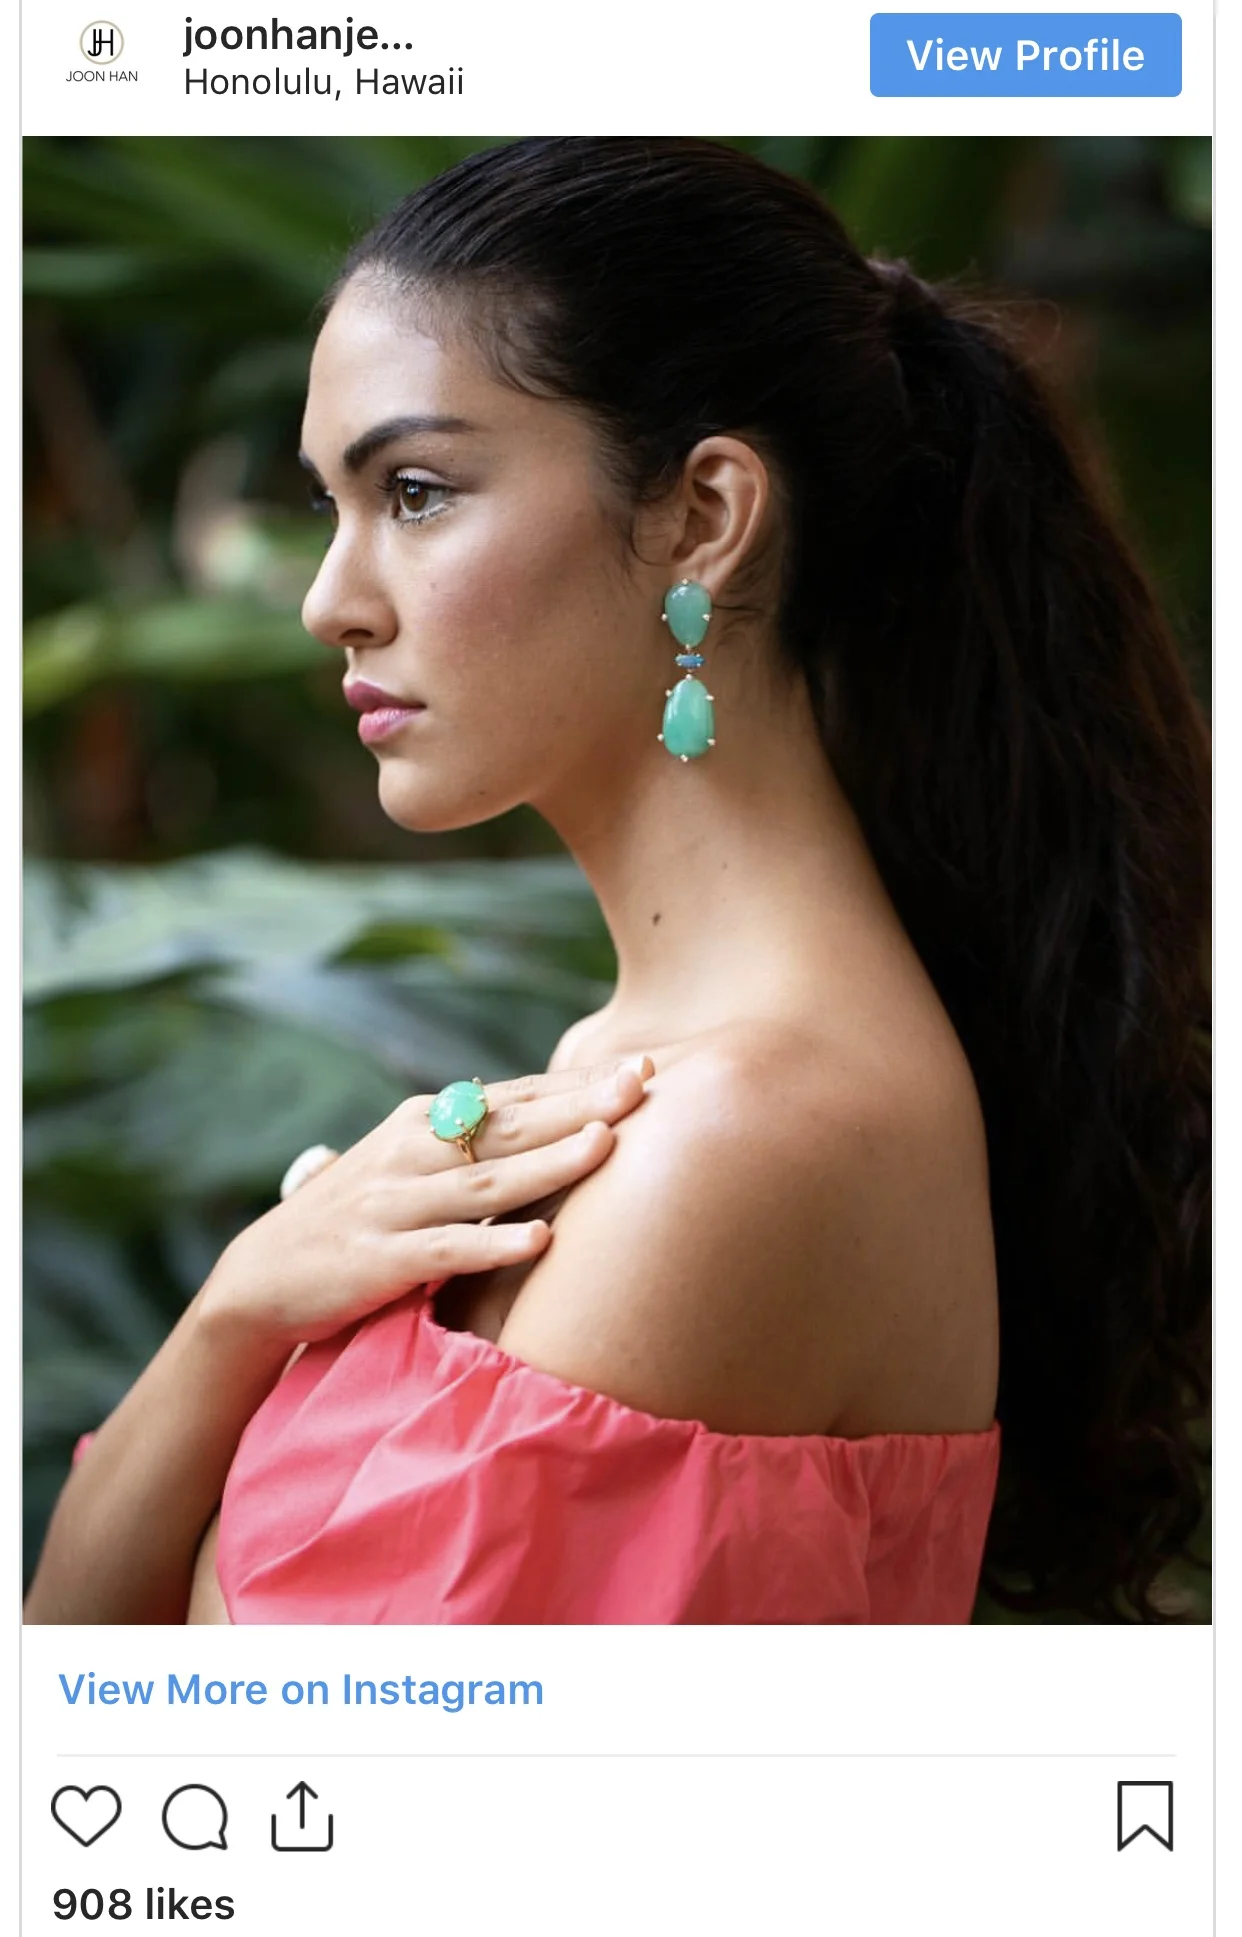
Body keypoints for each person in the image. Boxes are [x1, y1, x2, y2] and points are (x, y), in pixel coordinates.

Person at [25, 137, 1209, 1626]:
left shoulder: (743, 1138)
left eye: (416, 492)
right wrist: (240, 1310)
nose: (331, 602)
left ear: (703, 517)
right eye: (333, 505)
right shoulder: (639, 1071)